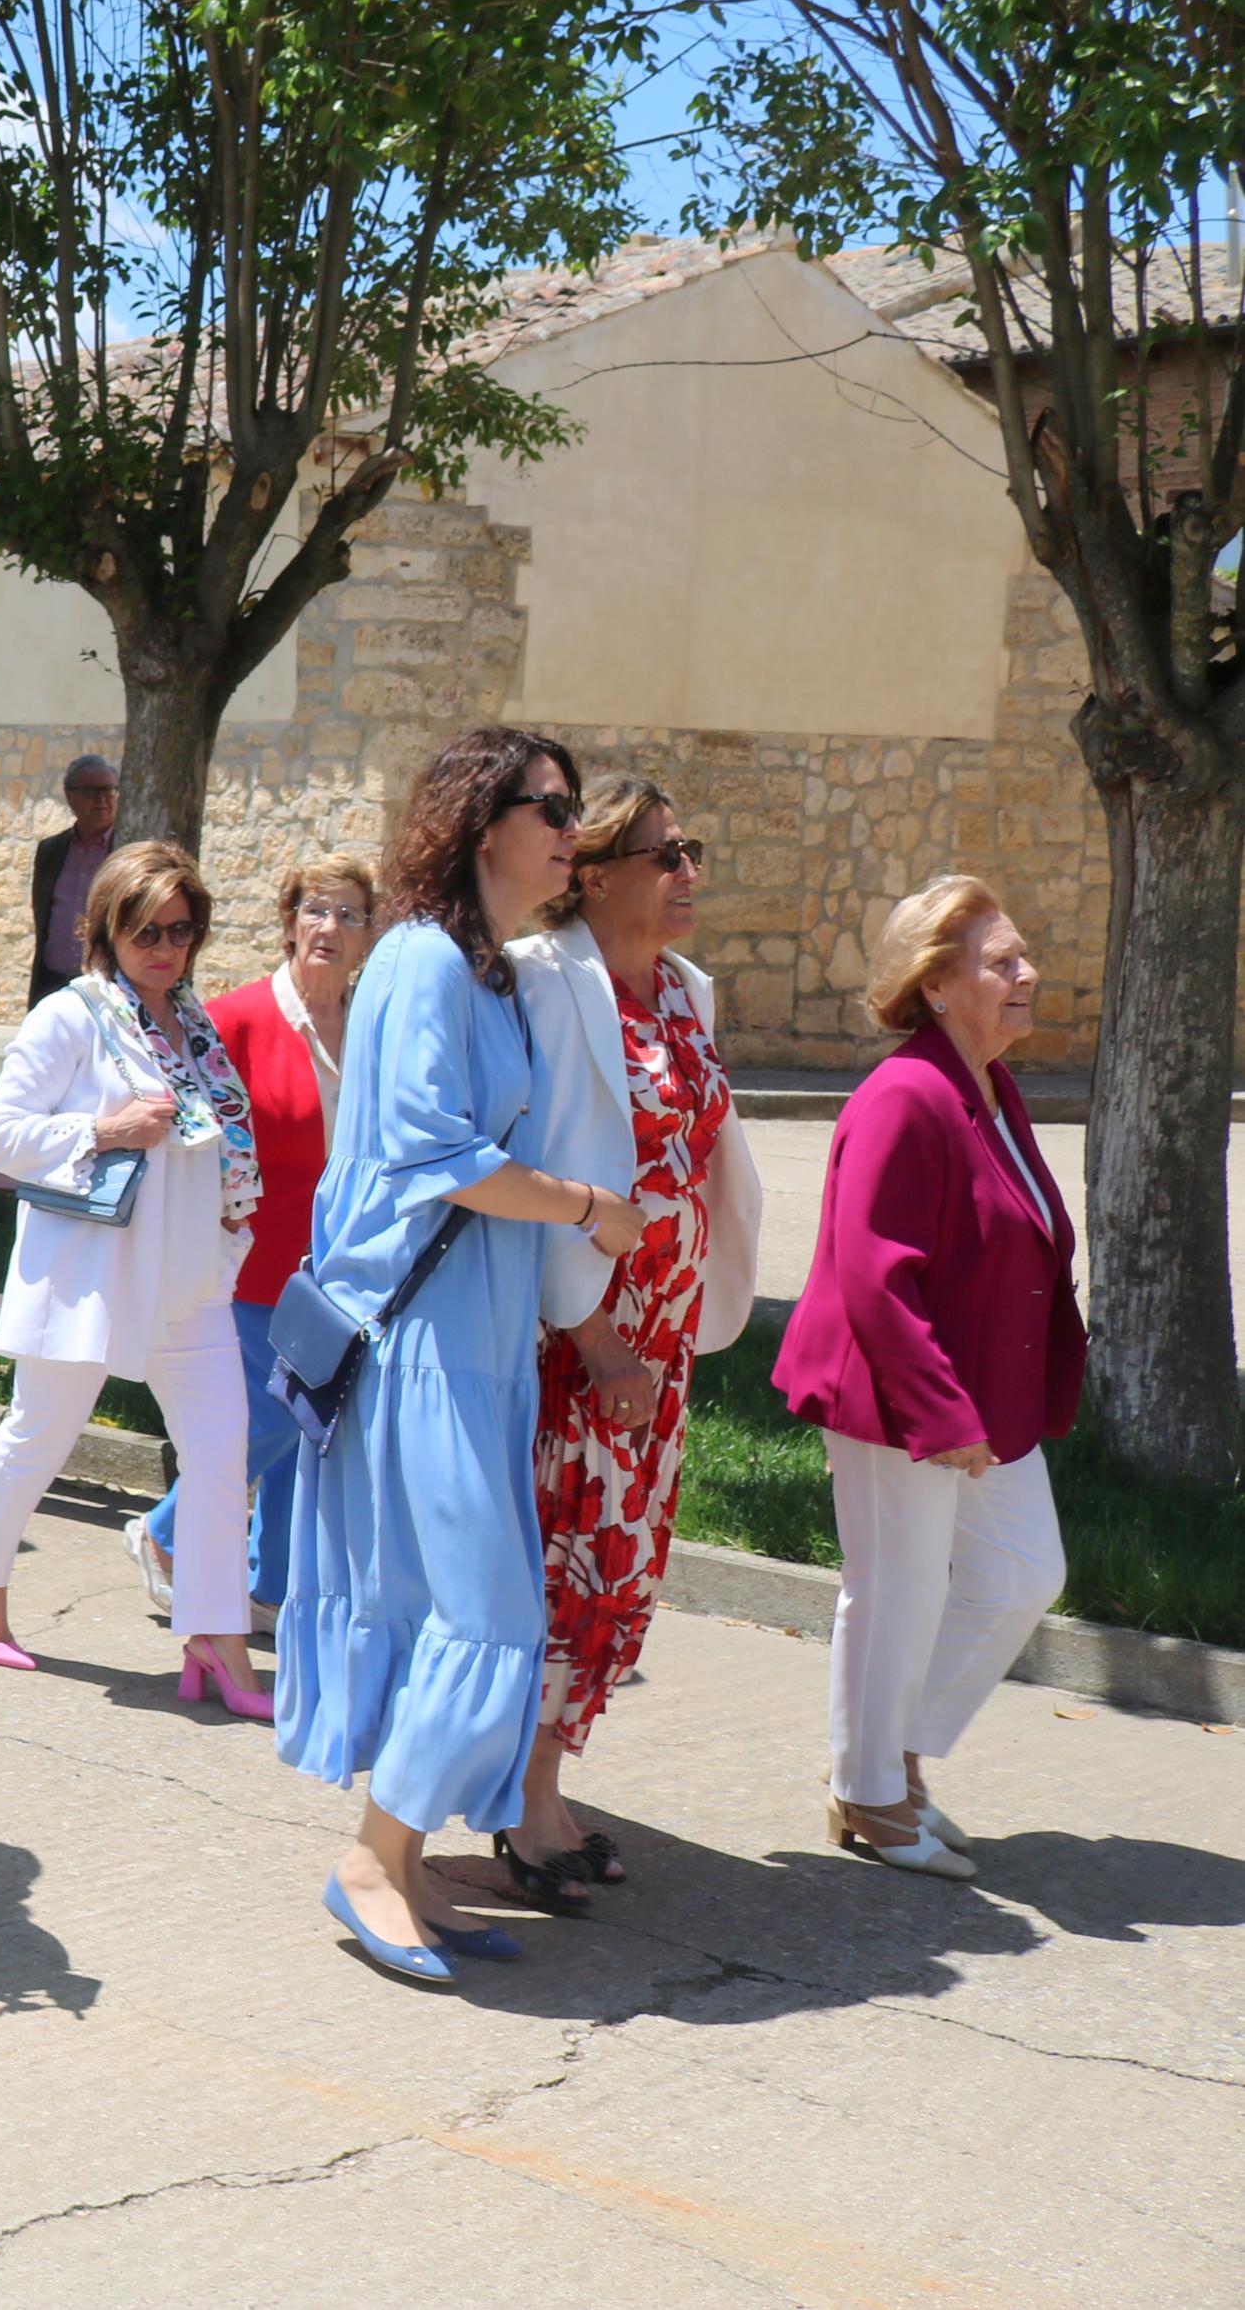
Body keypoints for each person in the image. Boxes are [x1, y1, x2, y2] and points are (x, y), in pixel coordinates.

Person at [279, 724, 637, 1987]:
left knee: (453, 1607)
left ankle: (409, 1863)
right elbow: (443, 1161)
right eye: (552, 808)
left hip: (476, 1339)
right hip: (421, 1336)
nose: (568, 832)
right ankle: (374, 1856)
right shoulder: (423, 963)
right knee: (488, 1609)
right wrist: (589, 1208)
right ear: (484, 822)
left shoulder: (486, 971)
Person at [773, 876, 1078, 1883]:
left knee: (1021, 1573)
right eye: (1001, 963)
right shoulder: (904, 1092)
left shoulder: (990, 1085)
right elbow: (870, 1269)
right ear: (935, 984)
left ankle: (890, 1757)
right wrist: (935, 1410)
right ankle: (867, 1795)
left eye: (1020, 957)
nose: (1026, 975)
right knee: (892, 1590)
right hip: (896, 1390)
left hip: (982, 1389)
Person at [500, 784, 764, 1906]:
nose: (687, 872)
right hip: (583, 1337)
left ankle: (542, 1780)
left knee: (619, 1571)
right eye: (667, 854)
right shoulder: (545, 980)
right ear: (595, 872)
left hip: (661, 1341)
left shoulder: (684, 990)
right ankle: (523, 1804)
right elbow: (542, 1155)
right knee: (562, 1568)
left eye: (689, 848)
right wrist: (598, 1337)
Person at [0, 840, 269, 1717]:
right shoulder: (72, 1015)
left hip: (191, 1271)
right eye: (144, 931)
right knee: (39, 1429)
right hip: (94, 1270)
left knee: (217, 1452)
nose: (164, 948)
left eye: (180, 929)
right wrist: (105, 1126)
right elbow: (0, 1136)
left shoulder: (192, 1024)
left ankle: (217, 1635)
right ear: (105, 930)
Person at [129, 856, 374, 1629]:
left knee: (309, 1427)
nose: (329, 927)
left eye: (349, 914)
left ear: (369, 934)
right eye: (315, 909)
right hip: (251, 1259)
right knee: (259, 1420)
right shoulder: (234, 1018)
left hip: (343, 1266)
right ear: (288, 919)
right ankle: (163, 1533)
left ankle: (269, 1588)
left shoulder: (373, 1027)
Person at [27, 756, 121, 1007]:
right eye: (90, 790)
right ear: (69, 796)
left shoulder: (127, 851)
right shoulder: (51, 850)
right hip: (52, 982)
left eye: (109, 790)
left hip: (107, 987)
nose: (101, 799)